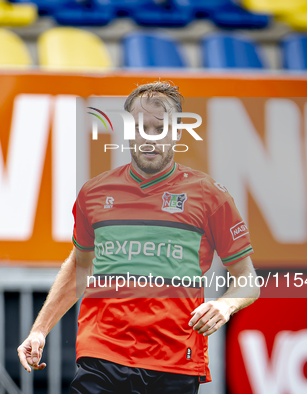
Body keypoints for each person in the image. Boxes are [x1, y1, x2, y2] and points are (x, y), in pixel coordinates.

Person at [17, 81, 260, 393]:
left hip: (174, 362)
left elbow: (247, 279)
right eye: (141, 127)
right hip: (102, 355)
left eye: (159, 128)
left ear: (177, 133)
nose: (149, 136)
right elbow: (80, 266)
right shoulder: (95, 193)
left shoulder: (210, 196)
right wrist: (39, 330)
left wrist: (225, 306)